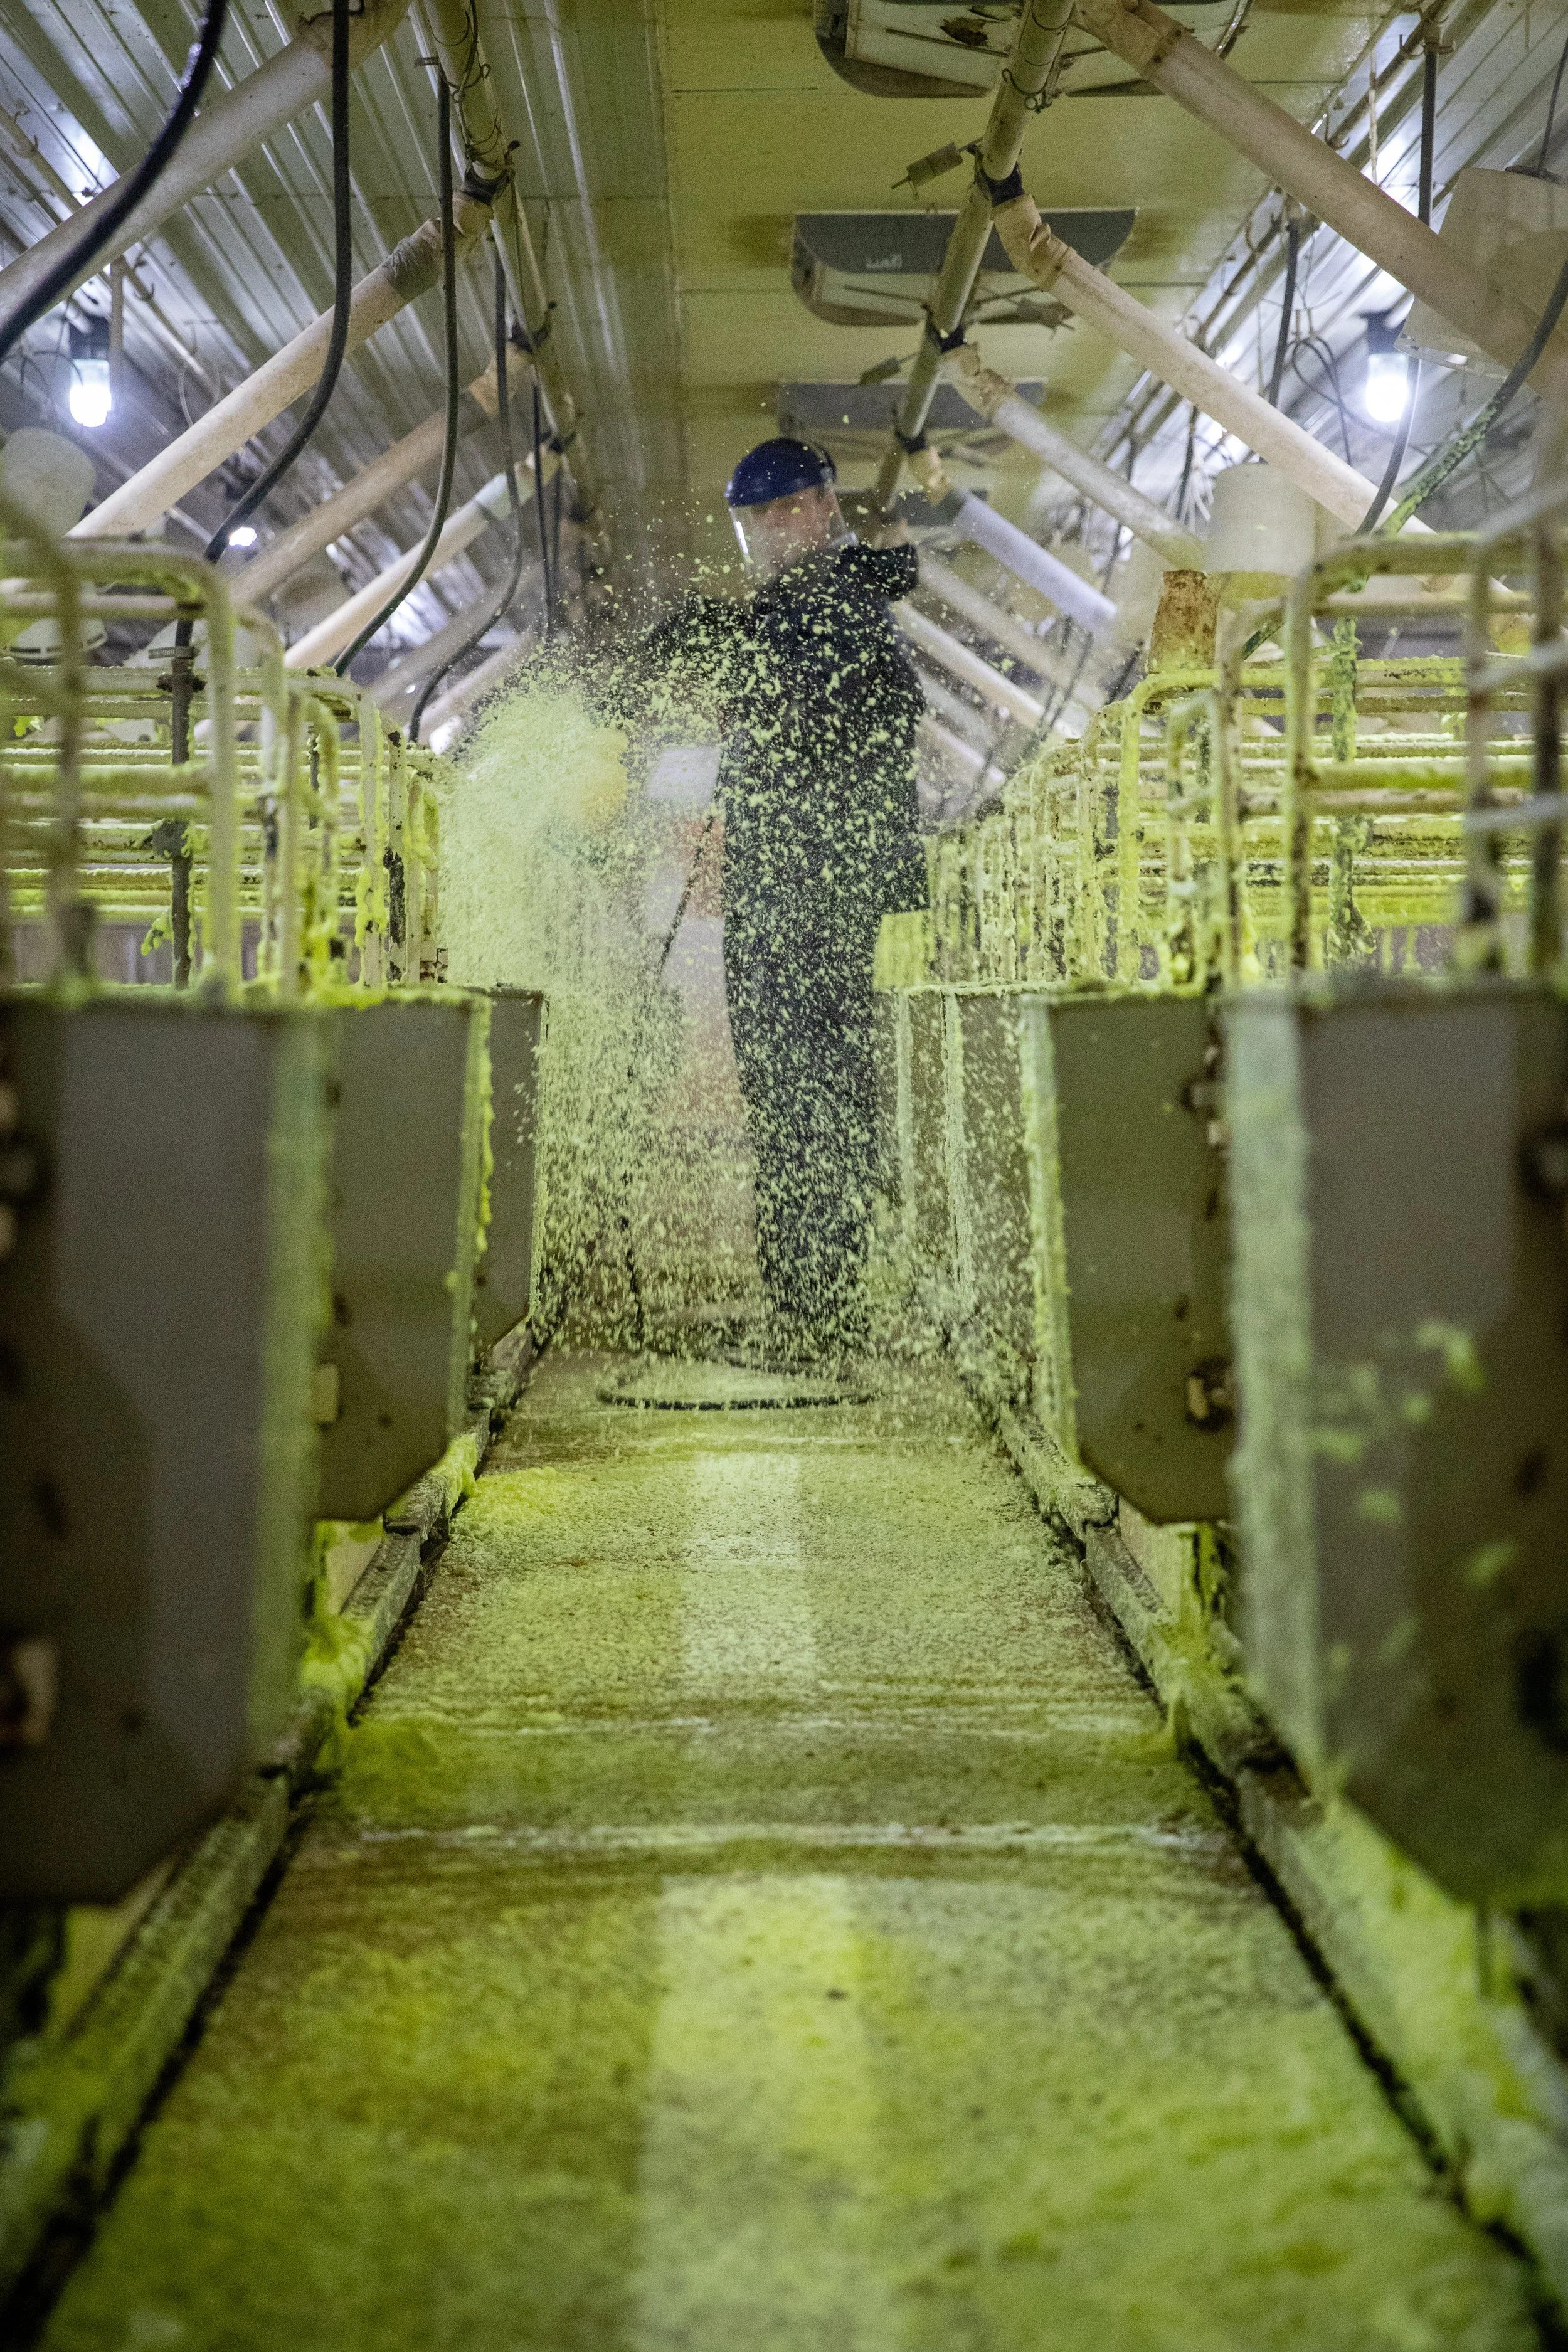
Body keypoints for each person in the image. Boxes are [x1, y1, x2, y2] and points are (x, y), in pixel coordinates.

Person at [605, 437, 927, 1360]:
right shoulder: (842, 602)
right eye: (750, 527)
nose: (760, 541)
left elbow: (787, 691)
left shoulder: (822, 606)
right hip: (819, 901)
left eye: (762, 522)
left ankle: (817, 1316)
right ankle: (816, 1304)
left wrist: (685, 644)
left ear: (807, 509)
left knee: (801, 1103)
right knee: (812, 1101)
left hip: (807, 907)